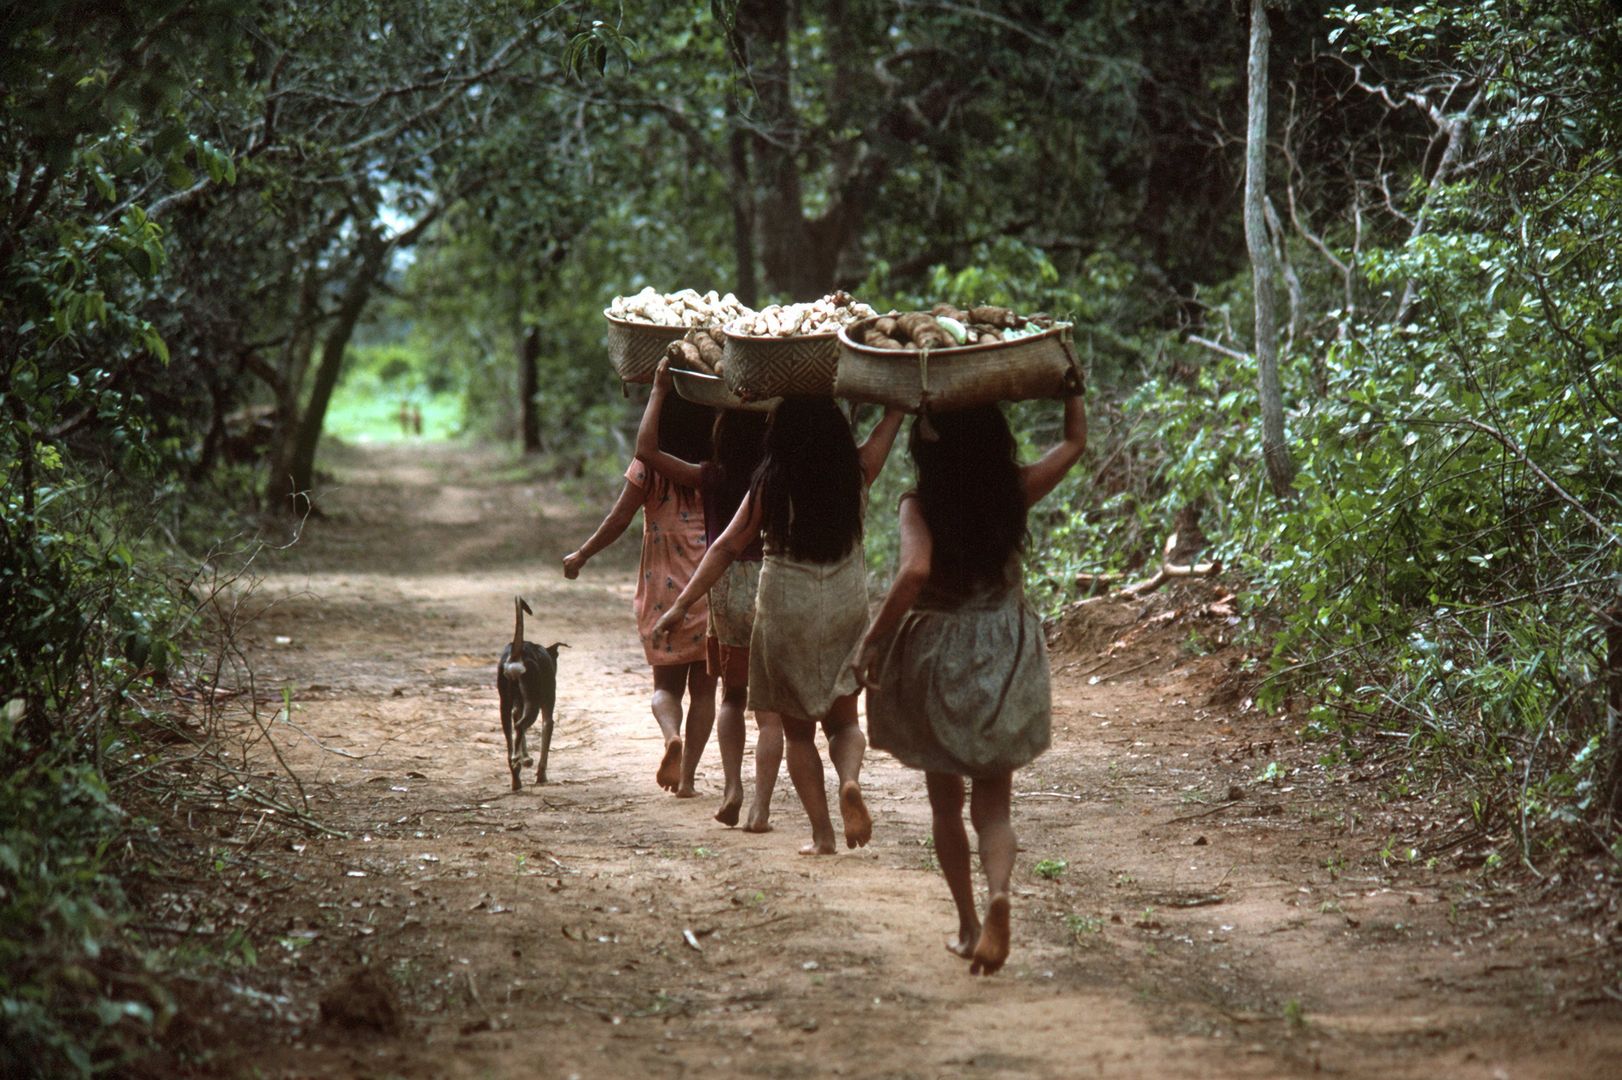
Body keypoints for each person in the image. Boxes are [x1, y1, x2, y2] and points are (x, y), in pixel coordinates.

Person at [854, 392, 1087, 975]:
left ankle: (967, 924)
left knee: (944, 803)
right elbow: (1075, 443)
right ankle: (1001, 892)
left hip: (941, 658)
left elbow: (914, 572)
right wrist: (1072, 390)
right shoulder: (1014, 490)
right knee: (995, 804)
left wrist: (874, 639)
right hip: (1004, 650)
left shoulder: (920, 503)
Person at [654, 397, 905, 854]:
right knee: (845, 723)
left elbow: (726, 547)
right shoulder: (858, 470)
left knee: (797, 734)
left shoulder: (770, 482)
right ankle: (849, 780)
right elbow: (892, 418)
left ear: (780, 434)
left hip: (787, 605)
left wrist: (681, 605)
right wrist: (898, 396)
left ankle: (823, 835)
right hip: (846, 604)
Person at [635, 359, 784, 830]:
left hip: (725, 592)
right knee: (770, 709)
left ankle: (732, 787)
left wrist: (659, 390)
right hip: (774, 584)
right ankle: (760, 804)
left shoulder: (711, 476)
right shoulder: (778, 481)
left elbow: (647, 450)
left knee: (731, 698)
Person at [563, 388, 719, 797]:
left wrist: (582, 554)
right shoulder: (716, 466)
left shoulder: (648, 466)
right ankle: (687, 780)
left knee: (664, 688)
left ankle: (671, 737)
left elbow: (619, 519)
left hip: (662, 588)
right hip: (708, 582)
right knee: (704, 691)